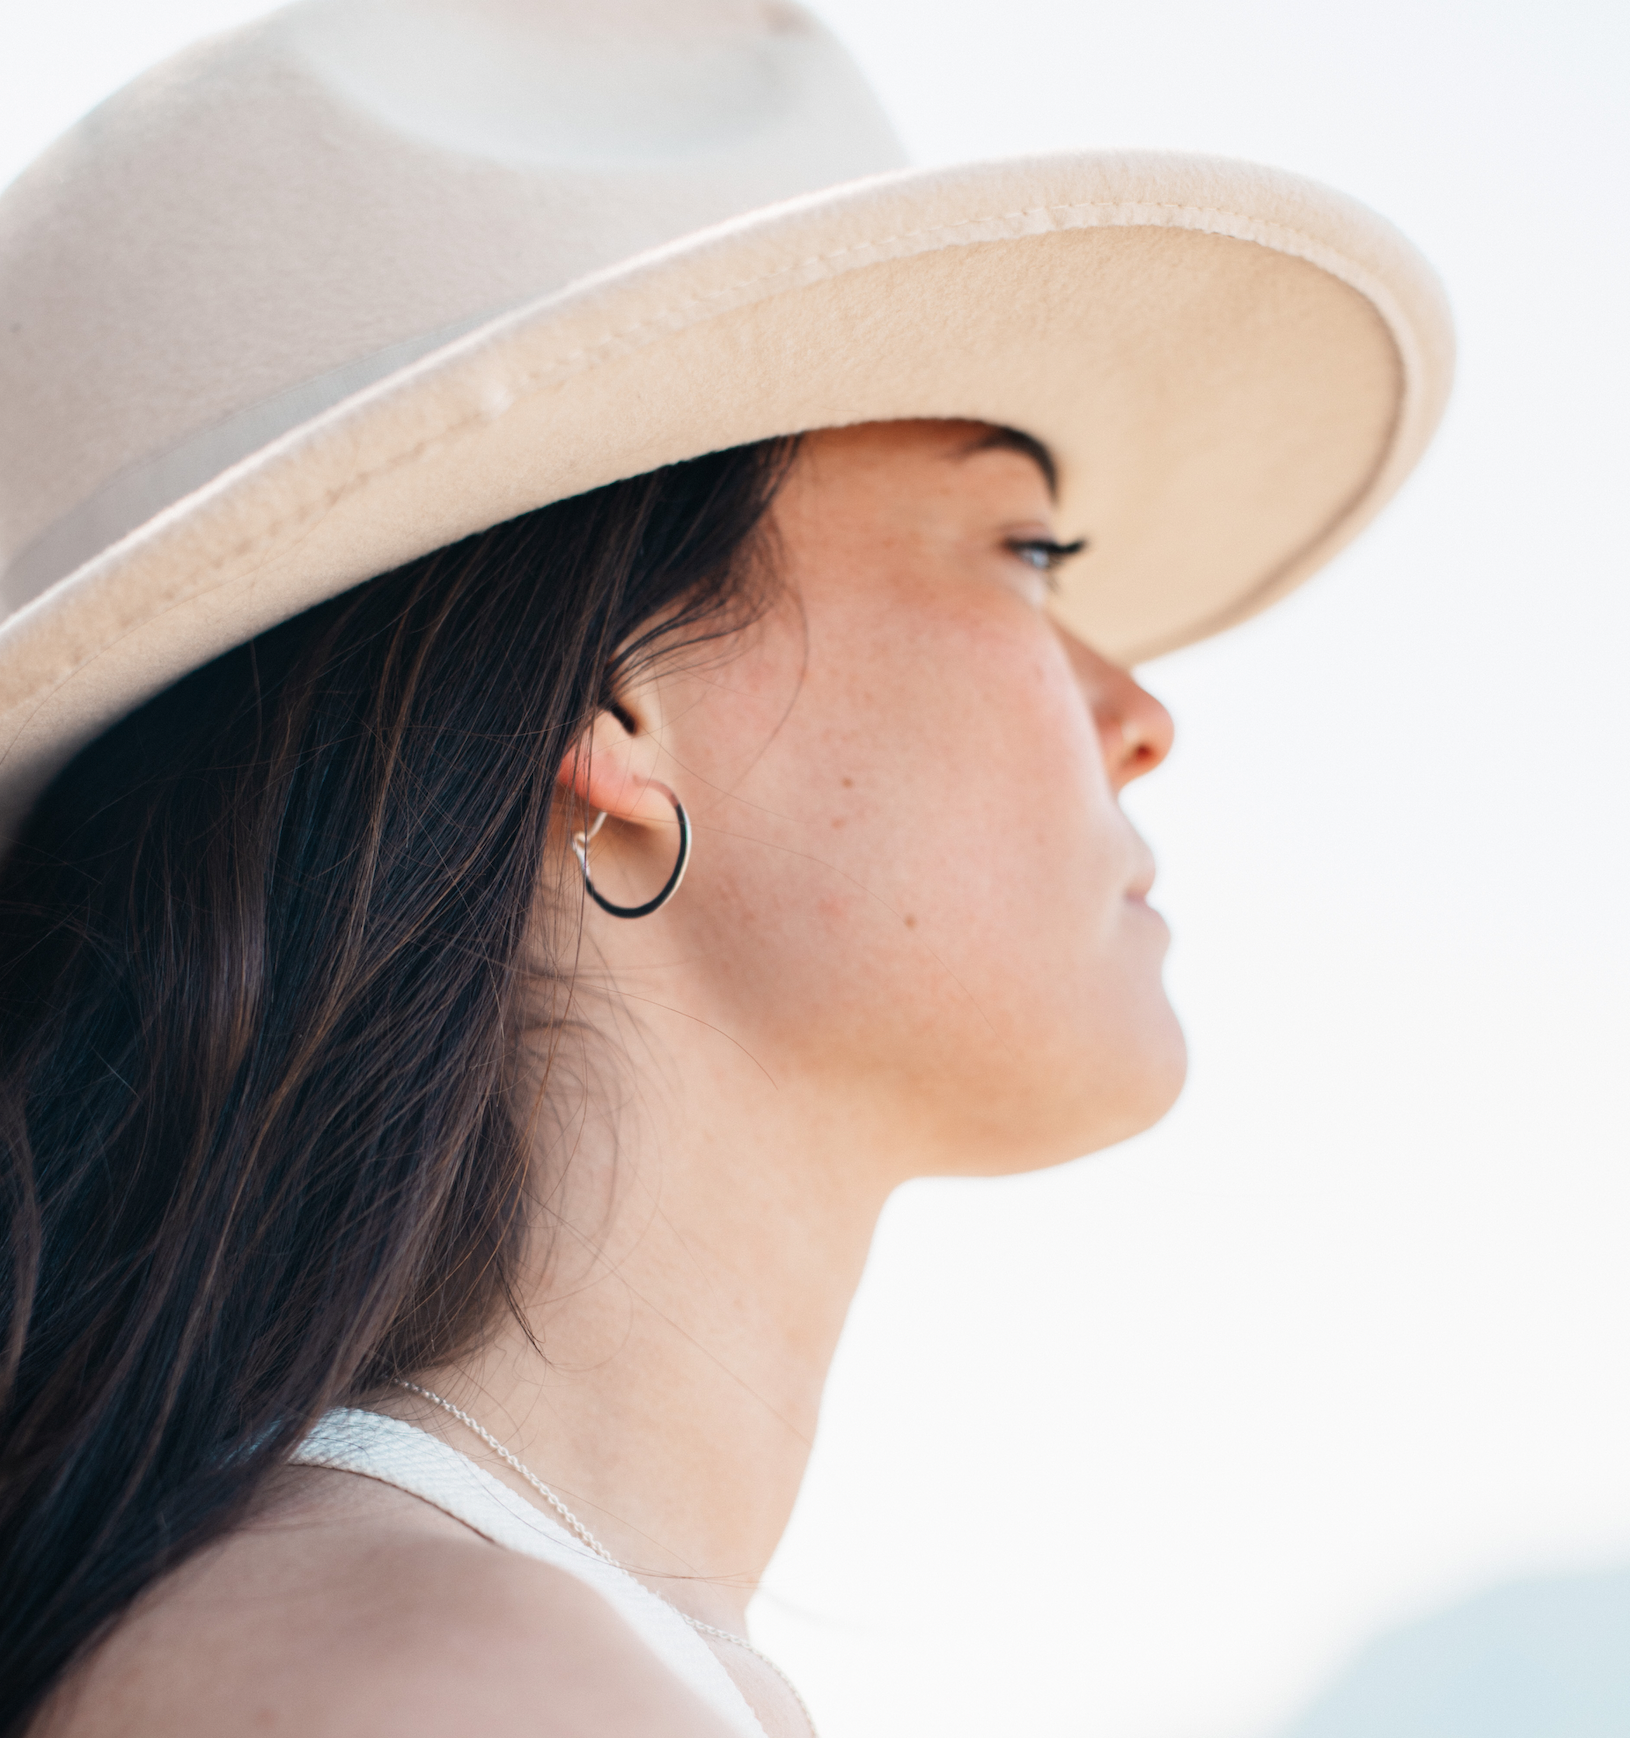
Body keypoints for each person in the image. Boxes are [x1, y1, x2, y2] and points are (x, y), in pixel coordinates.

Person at [0, 2, 1453, 1734]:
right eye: (1026, 549)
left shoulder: (464, 1642)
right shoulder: (443, 1680)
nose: (1138, 713)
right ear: (625, 703)